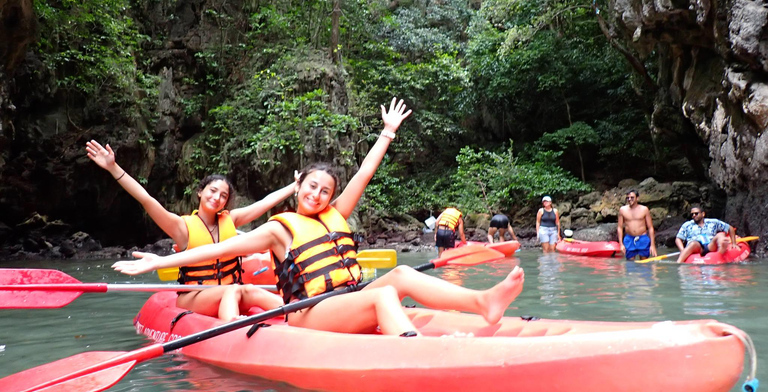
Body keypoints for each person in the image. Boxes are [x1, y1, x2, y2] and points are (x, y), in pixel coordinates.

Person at [113, 98, 525, 337]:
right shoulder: (278, 230)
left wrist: (387, 133)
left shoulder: (335, 214)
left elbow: (364, 175)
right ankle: (413, 351)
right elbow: (223, 248)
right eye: (311, 186)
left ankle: (483, 303)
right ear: (299, 187)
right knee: (383, 294)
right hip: (310, 311)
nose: (318, 194)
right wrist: (159, 262)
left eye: (325, 190)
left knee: (398, 276)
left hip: (344, 299)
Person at [86, 139, 294, 321]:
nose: (217, 198)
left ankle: (297, 313)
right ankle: (232, 323)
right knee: (233, 290)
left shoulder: (231, 219)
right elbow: (146, 200)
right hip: (196, 296)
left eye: (223, 196)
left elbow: (266, 202)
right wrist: (113, 168)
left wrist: (295, 186)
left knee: (250, 290)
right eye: (212, 191)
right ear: (200, 193)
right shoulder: (182, 228)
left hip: (234, 291)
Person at [617, 189, 657, 260]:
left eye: (632, 197)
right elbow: (620, 227)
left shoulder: (644, 209)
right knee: (630, 264)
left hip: (642, 238)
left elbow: (650, 228)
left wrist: (652, 245)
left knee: (644, 263)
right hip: (629, 238)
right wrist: (621, 244)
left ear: (637, 198)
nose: (629, 199)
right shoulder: (622, 210)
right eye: (628, 198)